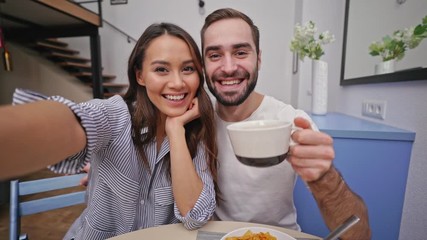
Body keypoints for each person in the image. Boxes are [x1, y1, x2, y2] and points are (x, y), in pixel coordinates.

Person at [0, 23, 218, 239]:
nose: (178, 83)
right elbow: (72, 122)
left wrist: (175, 130)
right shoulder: (116, 115)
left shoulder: (195, 133)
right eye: (161, 69)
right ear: (140, 76)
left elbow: (195, 216)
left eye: (188, 69)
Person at [200, 8, 371, 239]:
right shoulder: (197, 122)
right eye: (214, 55)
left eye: (240, 52)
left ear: (258, 59)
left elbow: (359, 236)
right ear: (203, 65)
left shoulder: (291, 121)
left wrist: (326, 178)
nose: (228, 67)